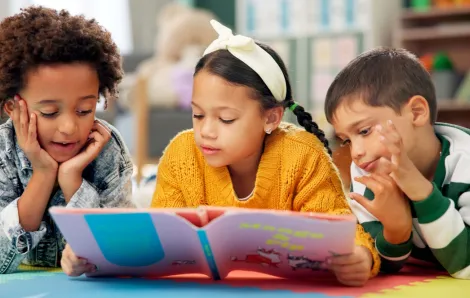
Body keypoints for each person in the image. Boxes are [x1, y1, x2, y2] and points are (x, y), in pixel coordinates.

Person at [150, 20, 380, 286]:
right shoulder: (182, 154)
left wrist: (360, 256)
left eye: (225, 119)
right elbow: (161, 233)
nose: (206, 131)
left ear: (271, 118)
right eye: (198, 115)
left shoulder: (302, 155)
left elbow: (339, 222)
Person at [0, 6, 135, 275]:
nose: (70, 127)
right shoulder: (4, 151)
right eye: (50, 113)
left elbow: (122, 251)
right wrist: (43, 173)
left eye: (85, 110)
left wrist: (73, 180)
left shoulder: (105, 146)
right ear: (12, 109)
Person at [325, 47, 470, 279]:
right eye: (347, 140)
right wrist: (396, 230)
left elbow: (466, 266)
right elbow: (381, 263)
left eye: (364, 130)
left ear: (416, 112)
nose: (356, 153)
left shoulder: (465, 164)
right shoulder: (366, 170)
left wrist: (419, 189)